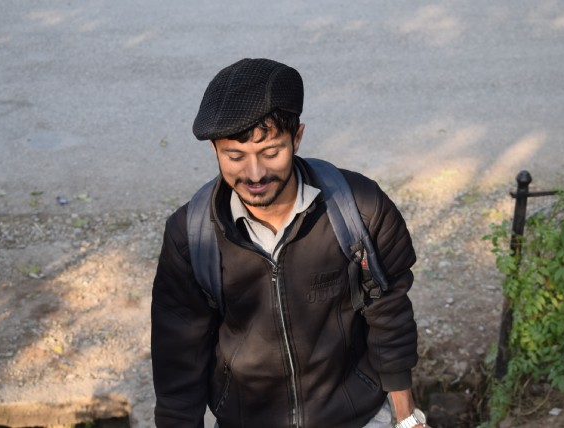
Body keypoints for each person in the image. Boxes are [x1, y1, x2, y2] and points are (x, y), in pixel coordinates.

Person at [151, 58, 428, 428]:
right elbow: (178, 359)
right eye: (235, 156)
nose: (254, 174)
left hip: (358, 417)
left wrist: (406, 418)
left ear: (297, 137)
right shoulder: (190, 236)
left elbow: (389, 311)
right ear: (215, 149)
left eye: (271, 153)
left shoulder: (361, 208)